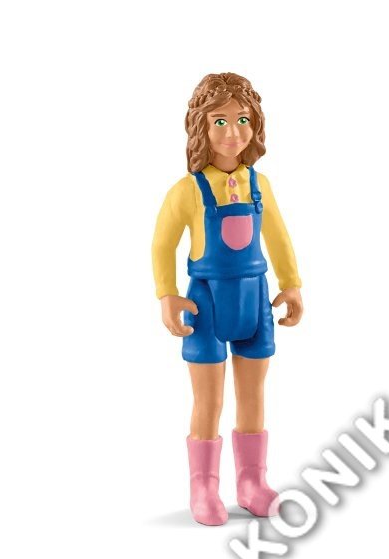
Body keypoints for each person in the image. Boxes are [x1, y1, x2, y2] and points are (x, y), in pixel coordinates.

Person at [151, 72, 303, 525]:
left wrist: (292, 283)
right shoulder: (187, 190)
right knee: (209, 401)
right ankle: (203, 489)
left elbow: (278, 235)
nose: (233, 131)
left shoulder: (260, 185)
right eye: (219, 121)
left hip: (255, 301)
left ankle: (252, 483)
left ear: (256, 124)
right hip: (207, 305)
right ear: (200, 126)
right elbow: (162, 244)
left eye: (242, 119)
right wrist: (167, 295)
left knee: (253, 396)